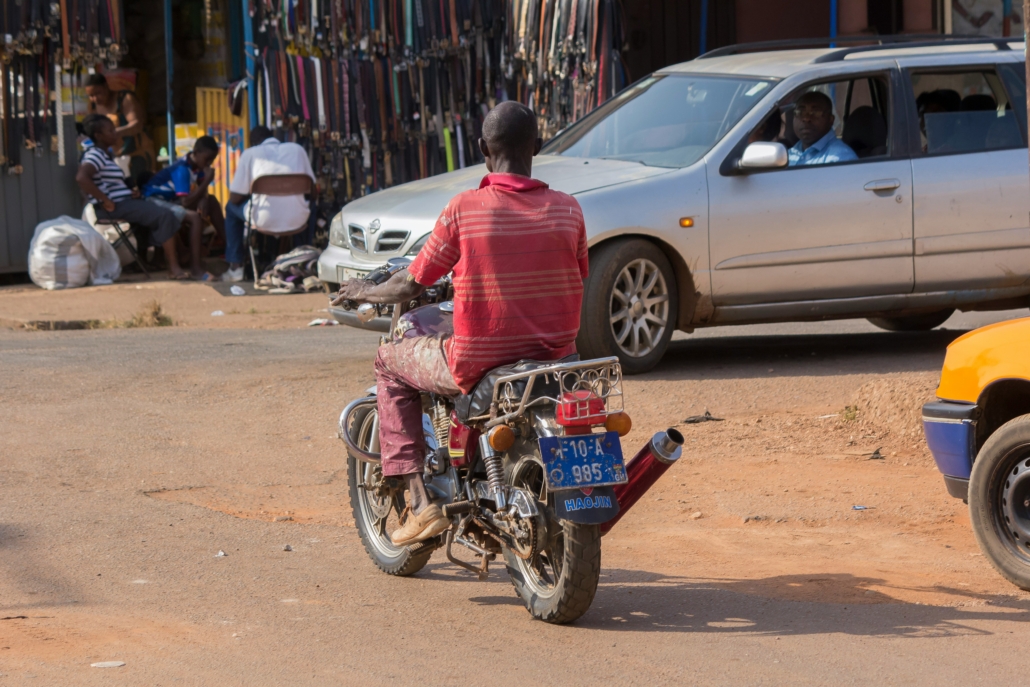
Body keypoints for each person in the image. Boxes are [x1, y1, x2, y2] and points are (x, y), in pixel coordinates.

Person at [331, 101, 589, 546]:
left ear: (482, 149)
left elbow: (409, 286)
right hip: (557, 358)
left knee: (390, 362)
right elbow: (573, 275)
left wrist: (362, 291)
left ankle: (418, 504)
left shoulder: (465, 209)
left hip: (477, 362)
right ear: (538, 147)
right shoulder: (569, 210)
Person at [75, 114, 201, 280]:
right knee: (164, 215)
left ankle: (147, 261)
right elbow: (82, 178)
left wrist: (131, 192)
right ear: (98, 136)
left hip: (124, 202)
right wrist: (105, 200)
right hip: (114, 207)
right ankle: (174, 268)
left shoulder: (106, 154)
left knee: (154, 213)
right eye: (110, 131)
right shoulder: (95, 155)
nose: (115, 133)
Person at [222, 126, 316, 282]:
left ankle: (236, 266)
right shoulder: (297, 150)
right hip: (298, 219)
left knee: (230, 208)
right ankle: (304, 256)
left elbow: (234, 198)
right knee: (311, 207)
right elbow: (313, 192)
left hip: (262, 219)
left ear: (254, 143)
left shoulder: (251, 154)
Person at [142, 135, 223, 281]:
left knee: (211, 201)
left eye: (213, 159)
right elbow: (185, 202)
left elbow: (200, 191)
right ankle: (196, 269)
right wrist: (208, 181)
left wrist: (204, 198)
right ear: (196, 153)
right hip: (153, 201)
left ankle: (229, 250)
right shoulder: (182, 169)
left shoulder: (197, 167)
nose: (209, 163)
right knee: (195, 218)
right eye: (207, 159)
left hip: (170, 201)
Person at [85, 74, 155, 179]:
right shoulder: (93, 106)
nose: (95, 99)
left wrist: (113, 133)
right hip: (113, 159)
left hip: (136, 155)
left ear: (106, 86)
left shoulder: (124, 99)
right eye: (91, 96)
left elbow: (137, 124)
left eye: (98, 93)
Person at [787, 91, 857, 167]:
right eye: (800, 112)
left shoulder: (840, 158)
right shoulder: (789, 153)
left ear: (830, 120)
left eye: (816, 112)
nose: (806, 118)